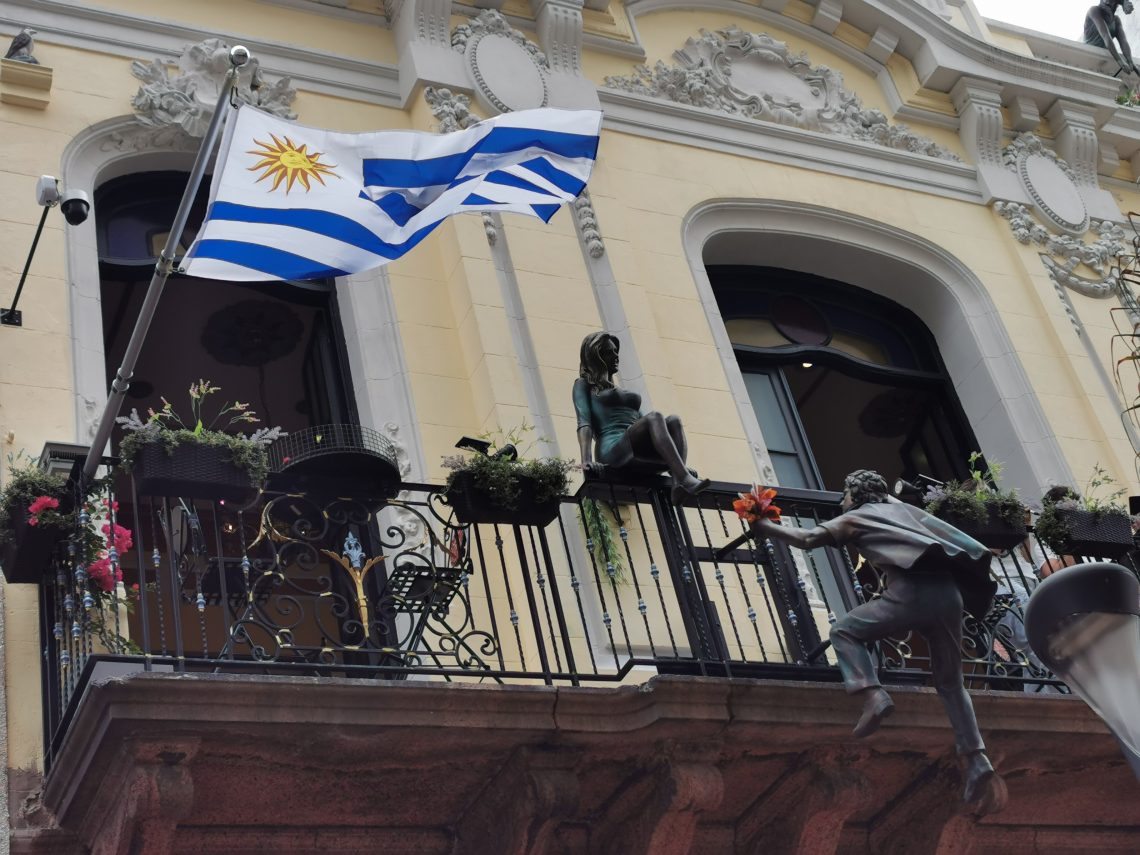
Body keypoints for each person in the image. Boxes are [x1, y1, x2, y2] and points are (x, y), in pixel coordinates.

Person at [752, 469, 1002, 805]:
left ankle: (873, 695)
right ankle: (976, 759)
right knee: (951, 683)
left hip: (912, 594)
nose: (842, 502)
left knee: (844, 632)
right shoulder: (903, 511)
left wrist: (763, 524)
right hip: (948, 597)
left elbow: (807, 539)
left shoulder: (856, 517)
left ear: (855, 495)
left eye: (844, 495)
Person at [573, 332, 709, 503]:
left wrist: (675, 460)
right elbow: (584, 422)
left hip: (634, 444)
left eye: (616, 351)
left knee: (674, 421)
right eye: (609, 352)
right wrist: (586, 461)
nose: (616, 356)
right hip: (612, 450)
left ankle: (678, 480)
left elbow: (649, 423)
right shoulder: (584, 385)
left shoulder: (620, 391)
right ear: (596, 356)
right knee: (656, 416)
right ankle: (683, 477)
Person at [1085, 0, 1136, 74]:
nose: (1107, 3)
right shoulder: (1094, 11)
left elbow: (1123, 42)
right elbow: (1106, 36)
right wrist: (1120, 62)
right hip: (1089, 55)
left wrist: (1130, 62)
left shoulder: (1116, 20)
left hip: (1105, 57)